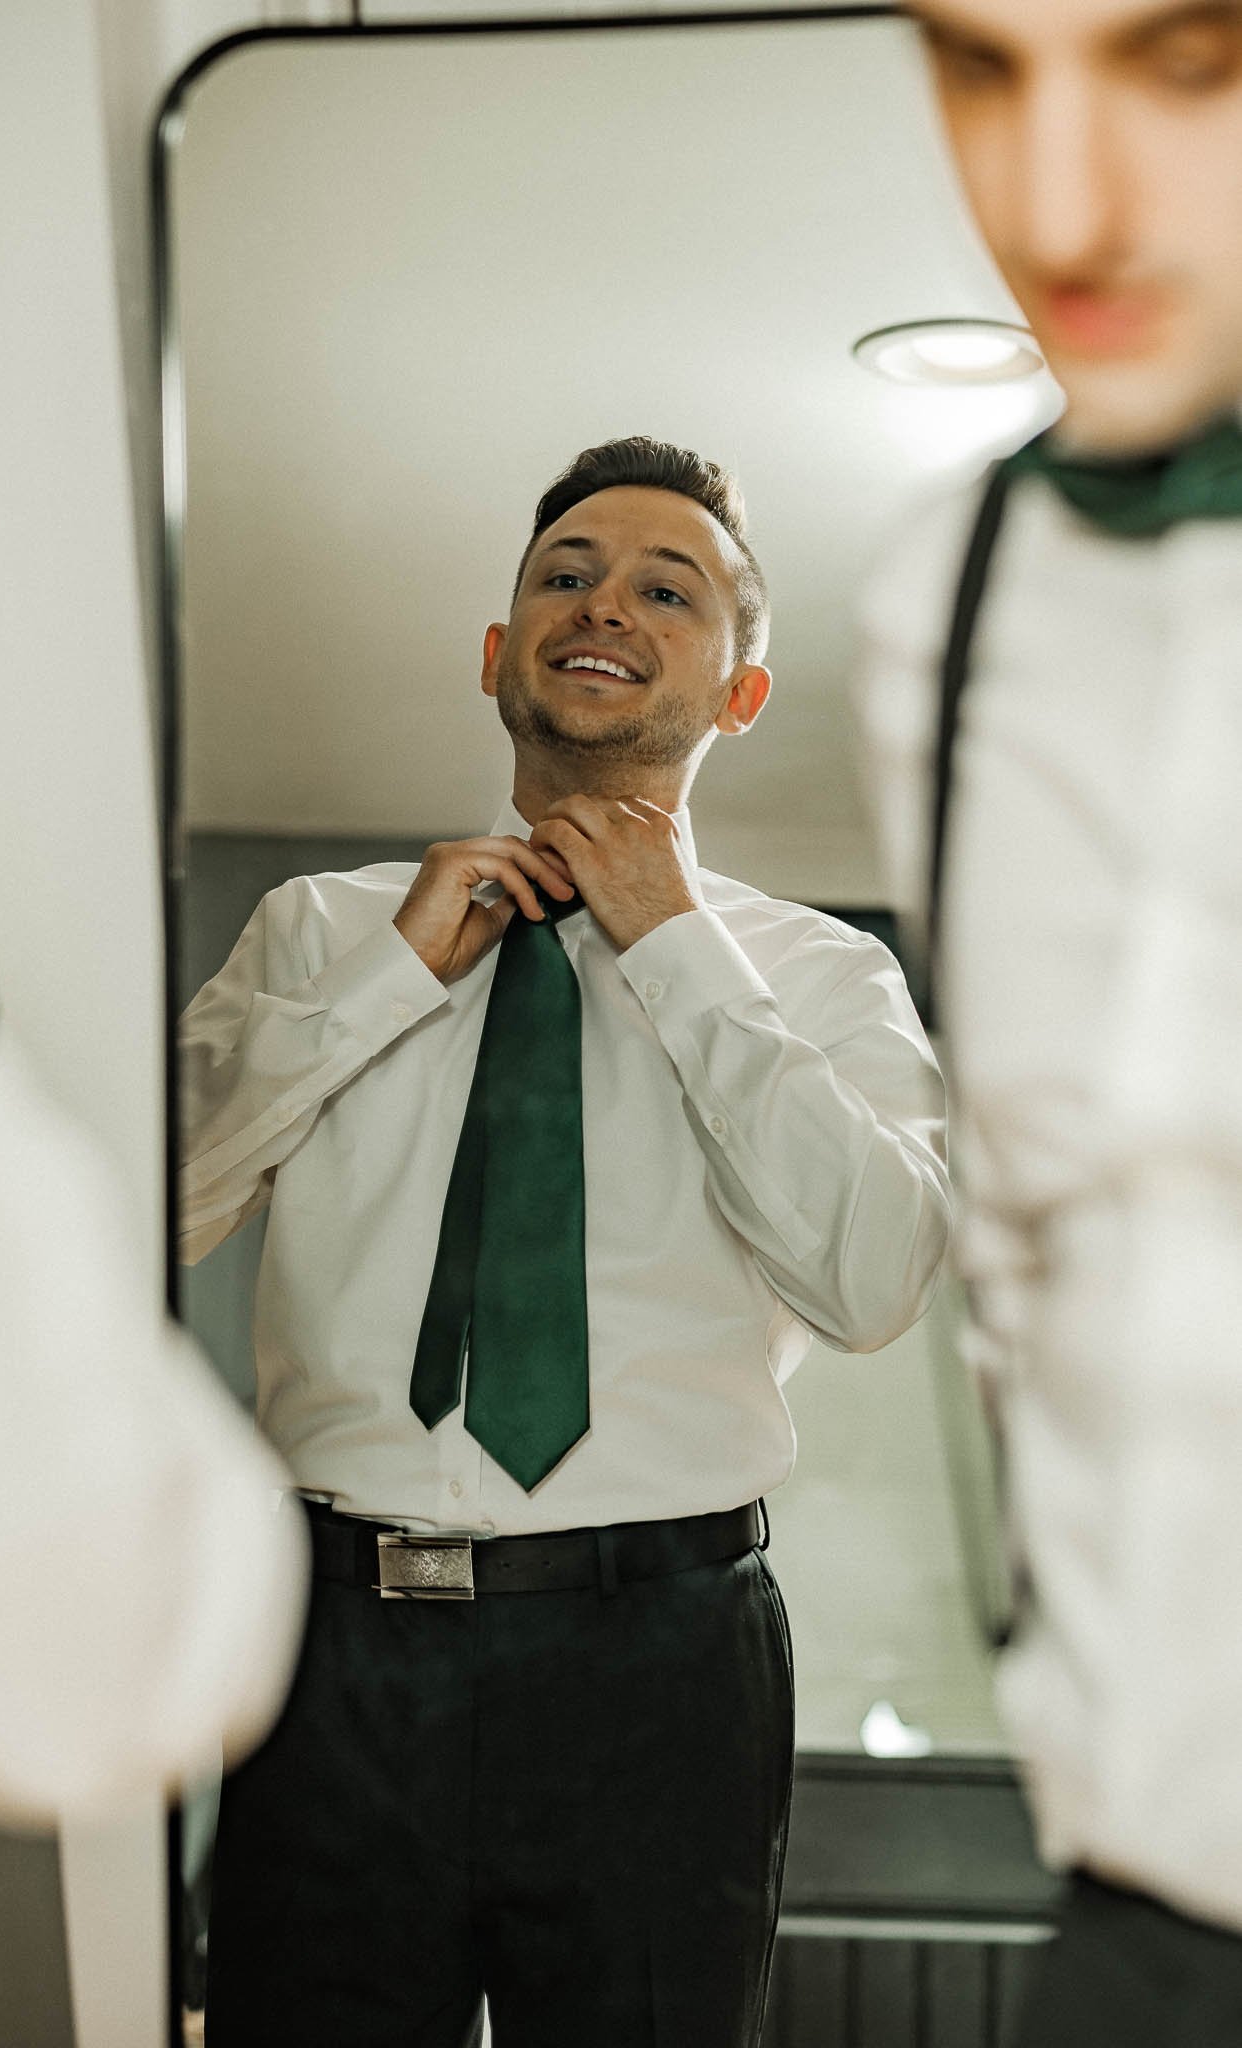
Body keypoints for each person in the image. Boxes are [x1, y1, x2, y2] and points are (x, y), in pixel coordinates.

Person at [180, 435, 950, 2048]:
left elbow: (878, 1277)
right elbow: (151, 1206)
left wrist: (676, 946)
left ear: (738, 691)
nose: (606, 602)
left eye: (669, 588)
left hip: (659, 1659)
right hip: (326, 1651)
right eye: (567, 573)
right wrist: (392, 977)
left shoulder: (820, 981)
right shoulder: (322, 933)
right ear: (497, 652)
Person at [854, 4, 1242, 2042]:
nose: (1053, 201)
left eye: (1187, 61)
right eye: (979, 66)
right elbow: (1020, 1267)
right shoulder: (946, 600)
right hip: (1142, 1924)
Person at [0, 875, 309, 1825]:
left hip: (662, 1604)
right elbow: (181, 1198)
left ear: (729, 713)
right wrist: (391, 980)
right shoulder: (315, 931)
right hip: (335, 1615)